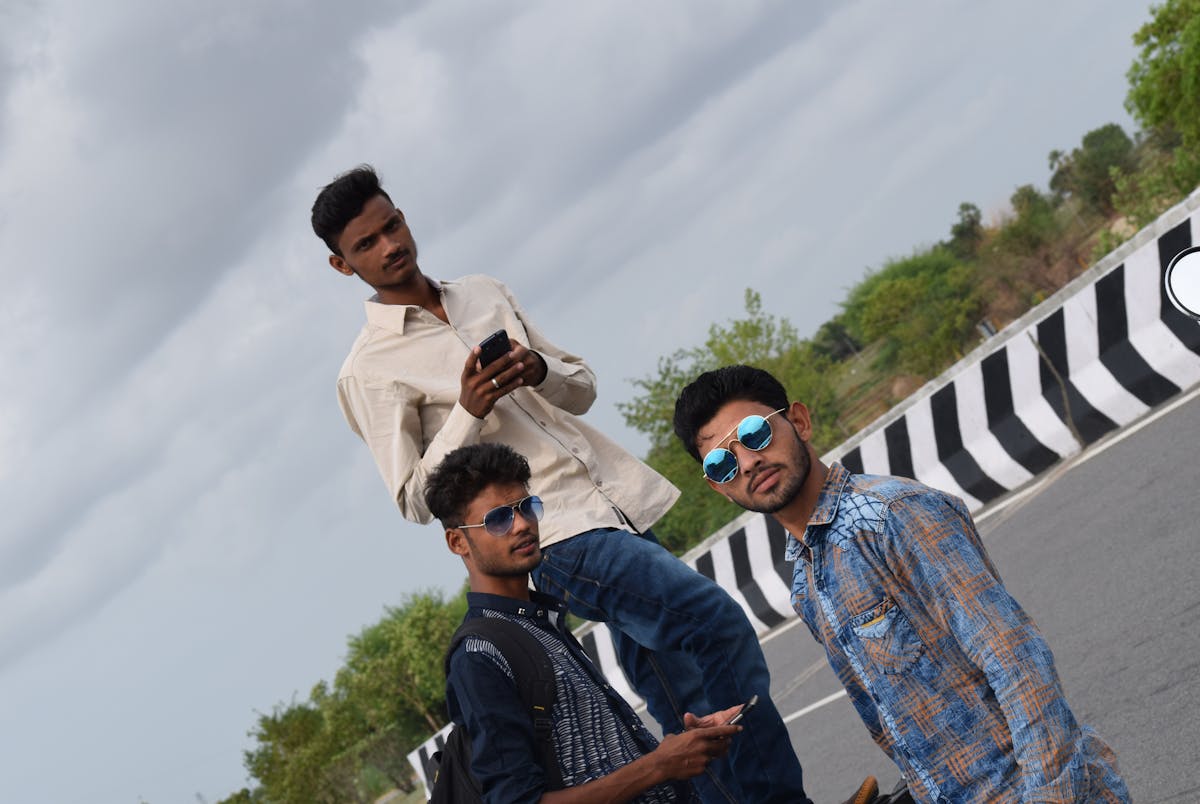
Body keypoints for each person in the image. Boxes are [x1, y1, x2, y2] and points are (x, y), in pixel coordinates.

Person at [310, 165, 809, 802]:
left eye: (392, 226)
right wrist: (467, 410)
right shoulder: (368, 371)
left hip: (613, 501)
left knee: (679, 688)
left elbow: (583, 388)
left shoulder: (483, 292)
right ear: (342, 265)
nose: (390, 246)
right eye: (366, 244)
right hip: (552, 530)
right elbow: (412, 498)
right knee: (712, 620)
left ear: (403, 217)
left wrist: (538, 369)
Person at [672, 365, 1132, 803]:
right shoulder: (806, 584)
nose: (748, 462)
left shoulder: (893, 515)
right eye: (723, 462)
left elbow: (1016, 661)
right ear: (719, 487)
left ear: (800, 422)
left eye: (756, 434)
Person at [426, 442, 742, 803]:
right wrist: (658, 766)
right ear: (458, 542)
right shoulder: (479, 655)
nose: (523, 525)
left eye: (527, 507)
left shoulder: (539, 619)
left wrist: (682, 748)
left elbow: (598, 757)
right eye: (498, 519)